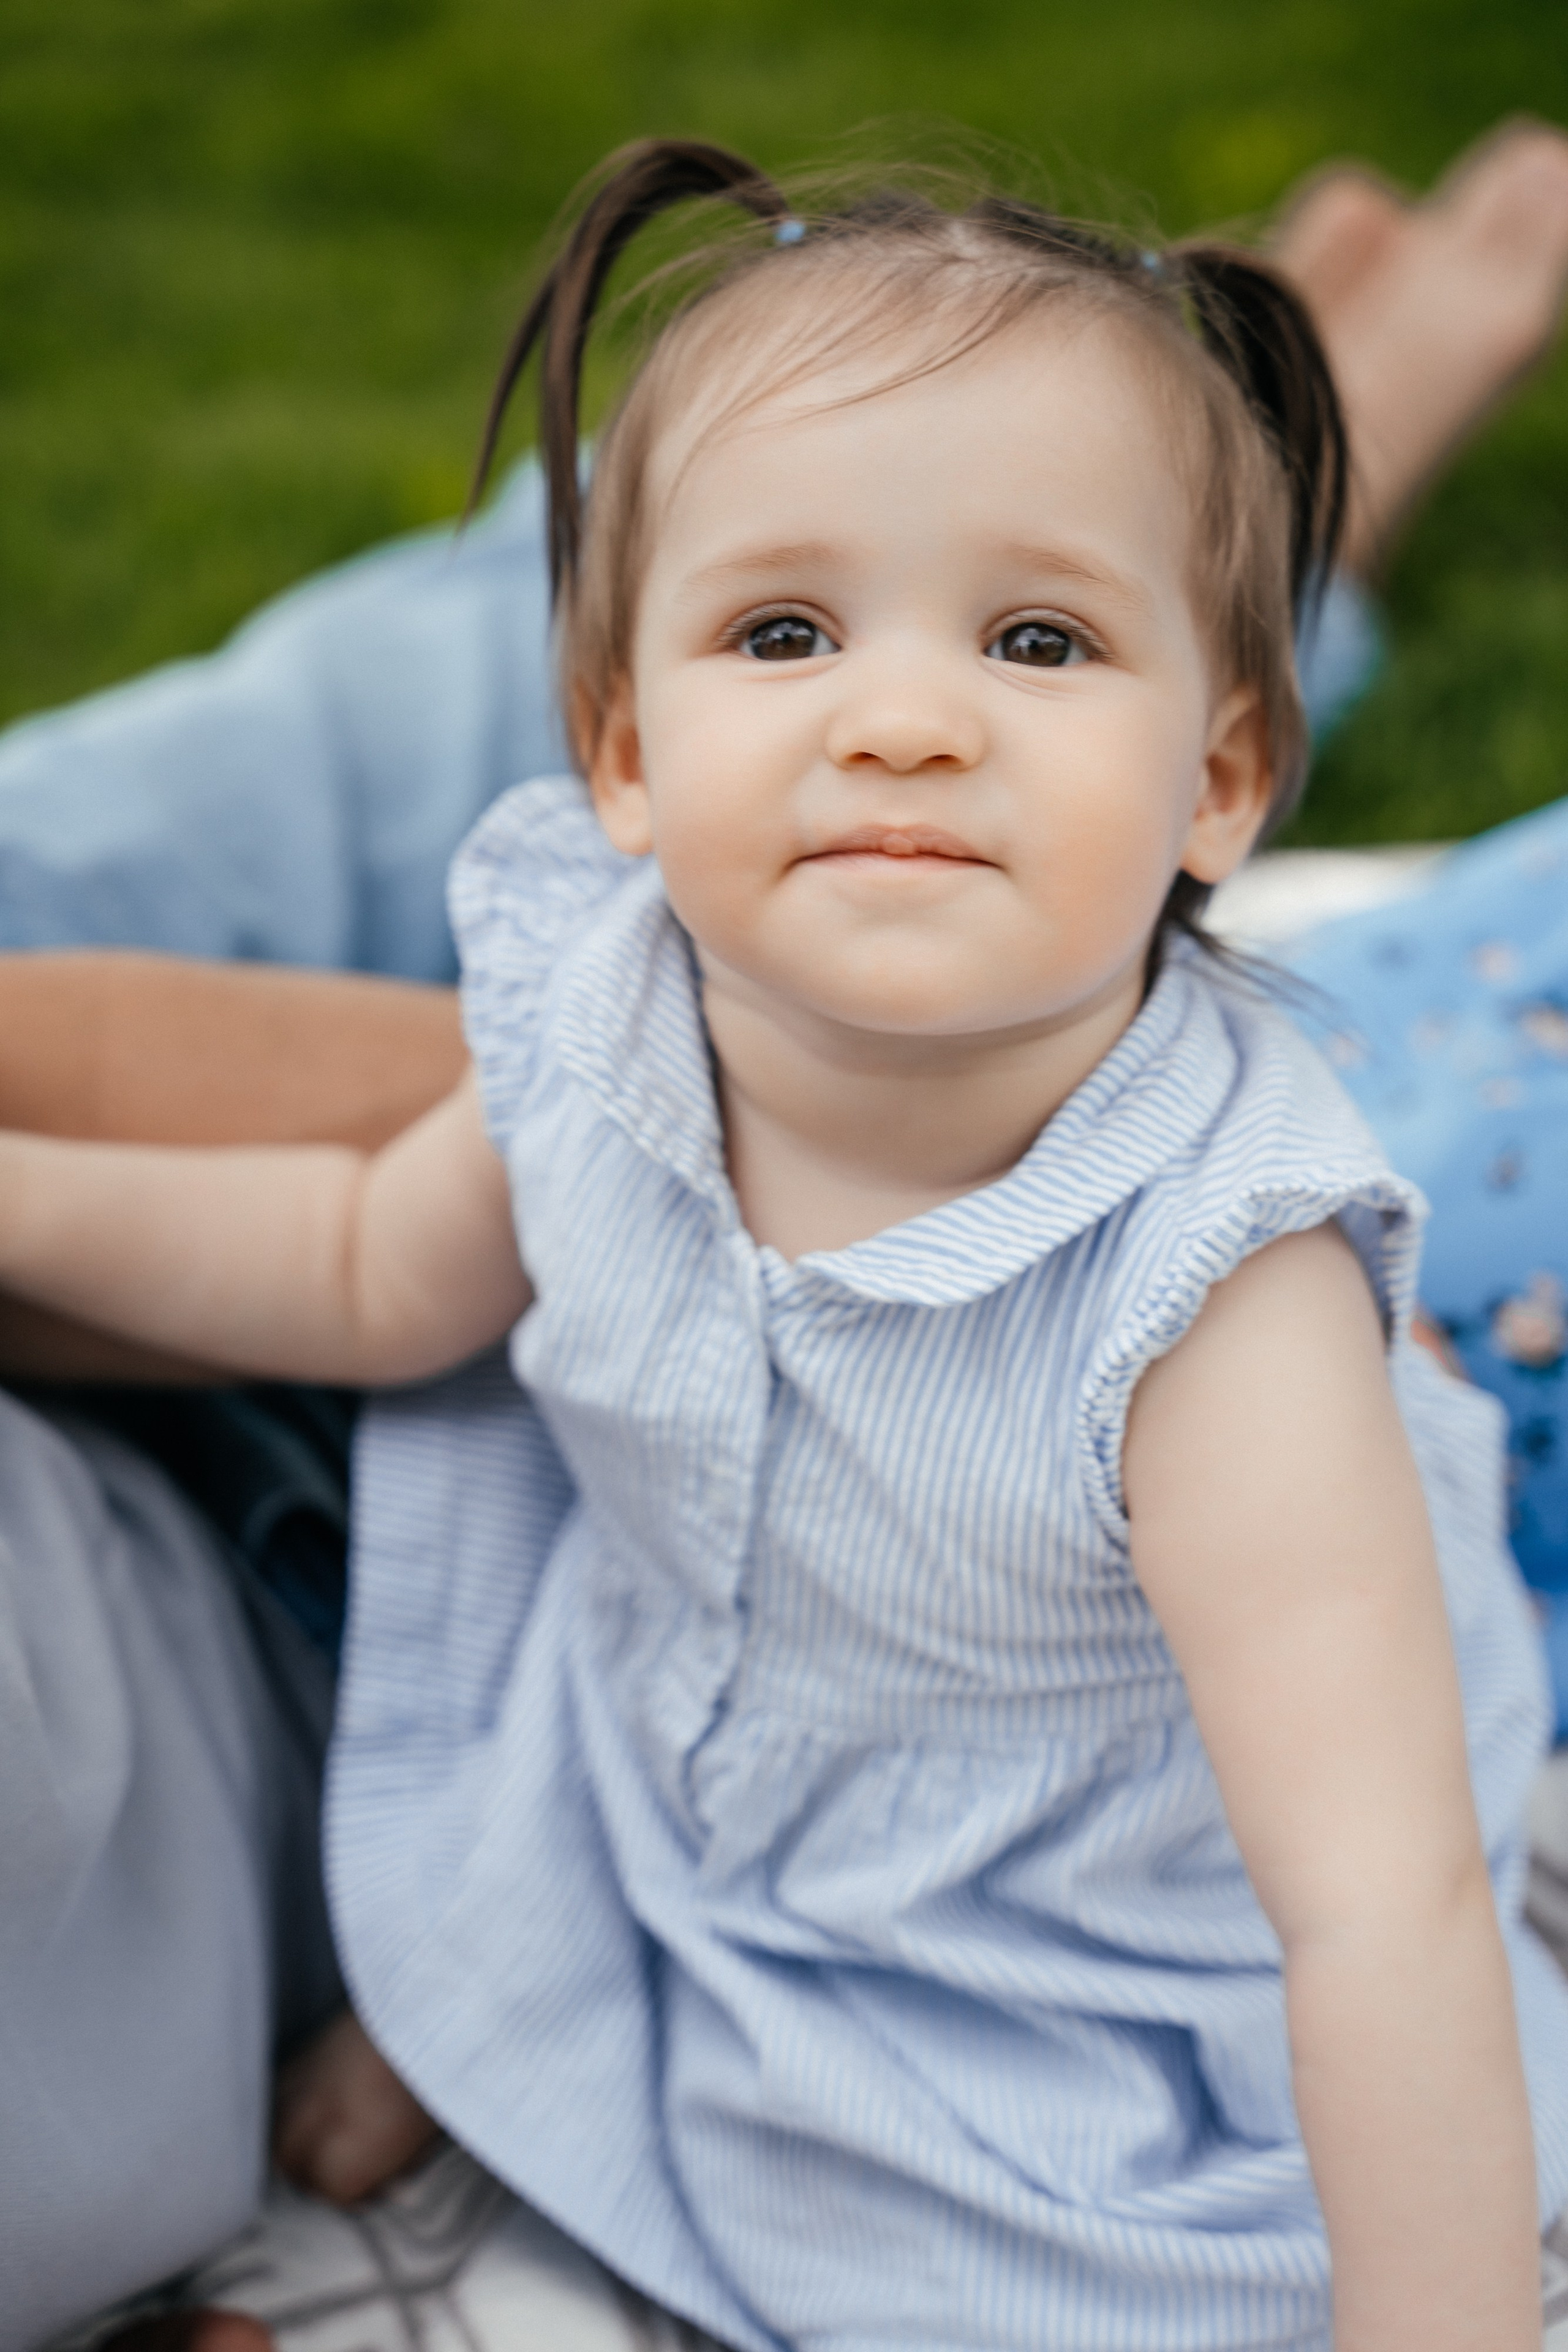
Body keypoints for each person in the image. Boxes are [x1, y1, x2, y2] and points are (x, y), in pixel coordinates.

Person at [3, 120, 1567, 2352]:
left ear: (1222, 782)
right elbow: (361, 1261)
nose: (905, 721)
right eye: (784, 631)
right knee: (557, 1778)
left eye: (1037, 638)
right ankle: (510, 2008)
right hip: (708, 1714)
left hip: (1081, 1898)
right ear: (624, 753)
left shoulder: (1219, 1316)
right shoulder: (602, 1011)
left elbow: (1377, 1912)